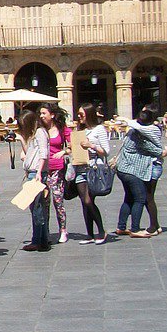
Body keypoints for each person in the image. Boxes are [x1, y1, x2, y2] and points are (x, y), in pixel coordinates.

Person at [111, 107, 163, 237]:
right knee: (140, 198)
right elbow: (157, 151)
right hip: (131, 171)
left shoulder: (132, 131)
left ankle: (121, 227)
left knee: (129, 198)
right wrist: (164, 151)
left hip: (122, 168)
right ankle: (135, 229)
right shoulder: (140, 136)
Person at [73, 103, 109, 244]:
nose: (79, 117)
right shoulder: (80, 129)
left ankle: (101, 231)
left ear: (89, 114)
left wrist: (91, 146)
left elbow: (106, 151)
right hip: (80, 168)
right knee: (84, 202)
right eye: (78, 114)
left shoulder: (99, 129)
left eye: (82, 114)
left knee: (89, 200)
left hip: (93, 168)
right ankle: (89, 234)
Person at [16, 109, 50, 252]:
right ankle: (39, 238)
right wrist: (22, 139)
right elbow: (29, 152)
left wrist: (39, 173)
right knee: (35, 207)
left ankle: (40, 240)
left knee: (37, 208)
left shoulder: (40, 133)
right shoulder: (33, 135)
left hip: (36, 174)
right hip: (32, 173)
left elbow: (44, 153)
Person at [39, 105, 70, 244]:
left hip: (57, 169)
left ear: (52, 115)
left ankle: (63, 230)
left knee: (58, 200)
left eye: (44, 113)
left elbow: (72, 145)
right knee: (44, 202)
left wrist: (63, 152)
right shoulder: (39, 130)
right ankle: (46, 231)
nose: (41, 116)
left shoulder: (62, 129)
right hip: (44, 169)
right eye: (40, 113)